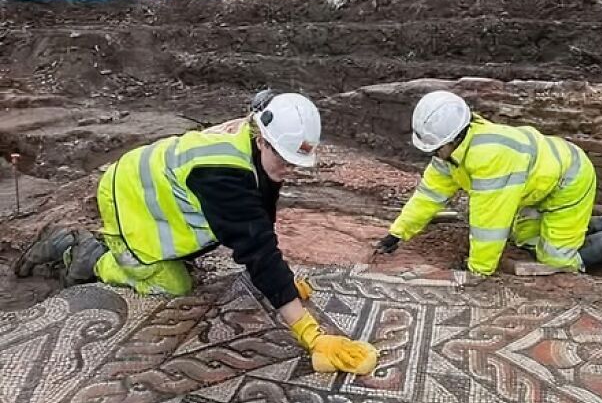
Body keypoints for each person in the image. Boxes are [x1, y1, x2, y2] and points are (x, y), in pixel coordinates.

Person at [15, 91, 378, 376]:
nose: (289, 169)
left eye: (296, 163)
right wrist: (311, 336)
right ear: (264, 140)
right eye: (284, 159)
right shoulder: (224, 175)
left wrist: (281, 283)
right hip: (129, 201)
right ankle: (86, 255)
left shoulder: (256, 143)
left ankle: (115, 251)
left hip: (156, 194)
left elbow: (259, 219)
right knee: (174, 285)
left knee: (210, 238)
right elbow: (257, 250)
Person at [374, 90, 602, 279]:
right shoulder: (451, 154)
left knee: (555, 259)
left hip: (567, 183)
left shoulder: (489, 158)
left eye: (434, 148)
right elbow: (428, 195)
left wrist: (477, 271)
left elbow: (490, 224)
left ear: (452, 138)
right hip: (537, 187)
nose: (431, 154)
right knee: (525, 240)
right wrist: (396, 234)